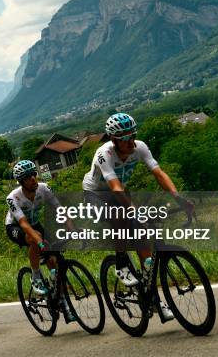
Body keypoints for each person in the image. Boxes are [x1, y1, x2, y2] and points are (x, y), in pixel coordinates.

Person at [82, 113, 195, 320]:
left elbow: (159, 174)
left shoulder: (140, 147)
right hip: (96, 194)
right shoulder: (103, 153)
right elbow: (114, 186)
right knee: (120, 218)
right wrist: (134, 211)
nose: (130, 141)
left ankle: (153, 298)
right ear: (113, 140)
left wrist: (179, 198)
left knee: (143, 237)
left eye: (132, 135)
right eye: (124, 138)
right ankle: (121, 264)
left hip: (120, 191)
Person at [5, 160, 76, 322]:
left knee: (54, 260)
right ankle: (35, 276)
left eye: (34, 174)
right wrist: (41, 242)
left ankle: (63, 303)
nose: (33, 178)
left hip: (35, 224)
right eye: (28, 177)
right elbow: (23, 224)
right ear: (21, 181)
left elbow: (60, 209)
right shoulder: (13, 197)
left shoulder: (43, 188)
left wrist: (71, 228)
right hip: (15, 226)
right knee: (34, 238)